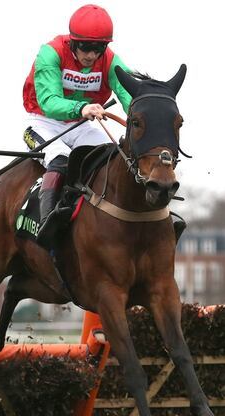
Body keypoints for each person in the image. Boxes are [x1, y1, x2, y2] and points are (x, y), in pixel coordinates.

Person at [22, 4, 132, 246]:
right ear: (72, 41)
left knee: (117, 158)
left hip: (82, 125)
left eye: (98, 48)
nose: (91, 55)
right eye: (85, 46)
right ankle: (47, 222)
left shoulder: (111, 60)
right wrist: (81, 108)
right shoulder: (49, 53)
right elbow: (49, 102)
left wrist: (142, 115)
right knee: (60, 158)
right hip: (43, 124)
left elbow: (129, 94)